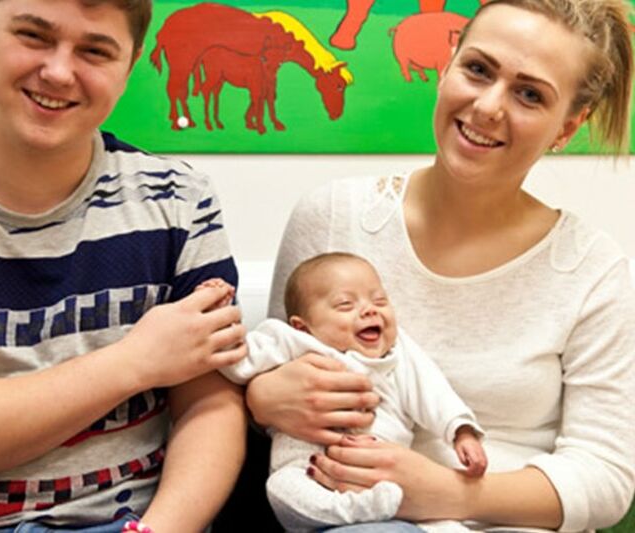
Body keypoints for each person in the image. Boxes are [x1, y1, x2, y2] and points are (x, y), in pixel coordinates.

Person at [0, 0, 248, 531]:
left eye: (95, 51)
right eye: (33, 36)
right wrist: (136, 362)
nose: (58, 72)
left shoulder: (181, 198)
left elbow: (210, 409)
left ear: (130, 65)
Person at [243, 0, 635, 531]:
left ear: (567, 128)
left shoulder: (595, 271)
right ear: (446, 67)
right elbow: (278, 385)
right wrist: (263, 400)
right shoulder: (333, 217)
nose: (488, 106)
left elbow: (606, 476)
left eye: (529, 94)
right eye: (478, 69)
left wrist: (445, 493)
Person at [201, 252, 487, 532]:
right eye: (345, 305)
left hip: (382, 474)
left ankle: (371, 508)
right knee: (280, 487)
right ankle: (348, 509)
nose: (370, 310)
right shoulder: (292, 341)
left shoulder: (398, 355)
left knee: (432, 519)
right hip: (308, 469)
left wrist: (461, 430)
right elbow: (238, 362)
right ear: (304, 326)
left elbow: (433, 391)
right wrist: (217, 314)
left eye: (380, 300)